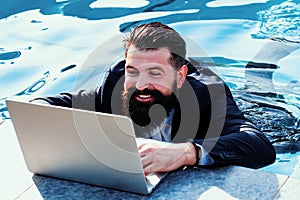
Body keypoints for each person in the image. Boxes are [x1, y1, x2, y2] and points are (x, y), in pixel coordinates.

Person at [31, 22, 276, 175]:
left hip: (268, 117)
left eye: (155, 73)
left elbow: (260, 146)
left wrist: (185, 153)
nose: (140, 85)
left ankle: (274, 49)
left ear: (180, 76)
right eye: (132, 71)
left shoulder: (207, 95)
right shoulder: (114, 87)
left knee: (259, 86)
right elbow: (44, 107)